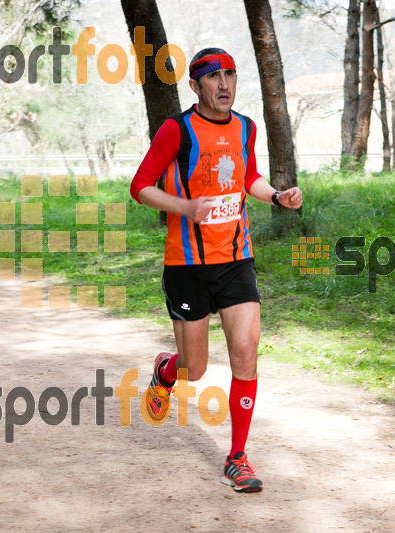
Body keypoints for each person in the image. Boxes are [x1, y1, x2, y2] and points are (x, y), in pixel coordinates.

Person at [129, 47, 302, 493]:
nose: (223, 84)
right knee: (195, 370)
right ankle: (166, 371)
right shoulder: (177, 130)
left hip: (235, 259)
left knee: (246, 355)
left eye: (229, 75)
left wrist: (275, 196)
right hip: (186, 265)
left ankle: (238, 457)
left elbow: (248, 178)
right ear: (195, 85)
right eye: (213, 77)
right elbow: (140, 187)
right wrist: (185, 207)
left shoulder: (246, 127)